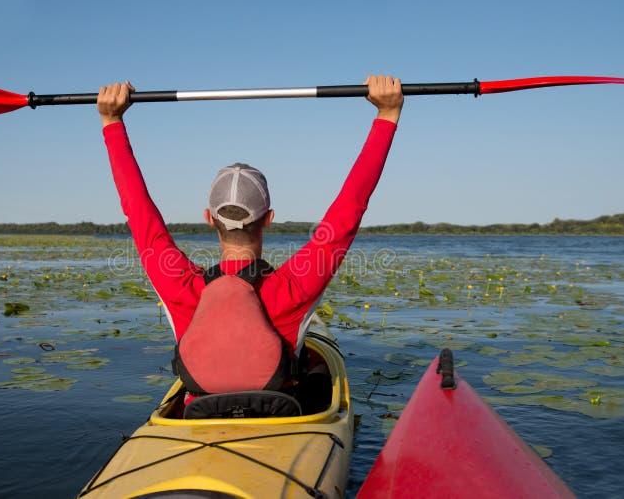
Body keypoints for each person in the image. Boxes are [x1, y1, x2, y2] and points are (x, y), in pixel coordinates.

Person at [98, 75, 403, 401]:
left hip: (197, 419)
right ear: (269, 219)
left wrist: (112, 121)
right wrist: (386, 115)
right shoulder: (294, 285)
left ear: (208, 219)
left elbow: (139, 212)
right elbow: (349, 209)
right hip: (281, 415)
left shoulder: (180, 285)